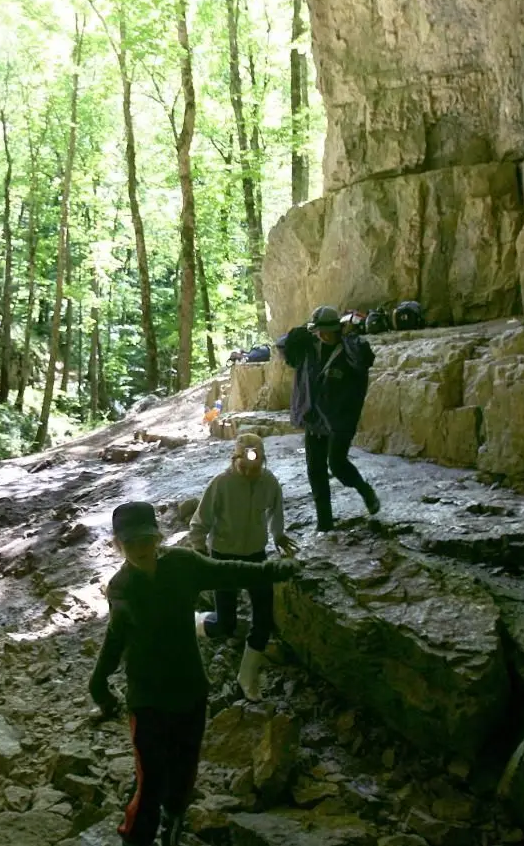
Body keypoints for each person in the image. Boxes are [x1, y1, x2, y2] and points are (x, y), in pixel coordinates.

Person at [91, 501, 297, 846]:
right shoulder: (120, 587)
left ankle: (173, 825)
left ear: (158, 537)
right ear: (118, 544)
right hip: (147, 699)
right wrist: (99, 684)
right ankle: (136, 839)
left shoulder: (183, 565)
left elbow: (228, 571)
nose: (140, 548)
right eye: (130, 542)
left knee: (184, 772)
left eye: (146, 539)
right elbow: (115, 638)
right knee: (150, 781)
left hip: (191, 690)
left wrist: (273, 570)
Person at [187, 434, 299, 701]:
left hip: (255, 557)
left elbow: (275, 511)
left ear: (263, 462)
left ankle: (247, 676)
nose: (249, 473)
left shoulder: (269, 482)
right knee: (224, 624)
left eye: (255, 468)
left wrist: (278, 535)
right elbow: (199, 522)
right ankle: (196, 621)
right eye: (244, 467)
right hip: (223, 557)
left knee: (263, 617)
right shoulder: (221, 484)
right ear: (234, 460)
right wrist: (199, 551)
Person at [277, 305, 381, 529]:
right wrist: (299, 332)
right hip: (314, 416)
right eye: (319, 331)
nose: (323, 336)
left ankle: (365, 491)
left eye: (327, 331)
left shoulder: (348, 350)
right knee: (315, 470)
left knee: (337, 464)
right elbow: (284, 347)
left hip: (340, 418)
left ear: (337, 329)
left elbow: (364, 358)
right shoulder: (308, 349)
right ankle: (324, 523)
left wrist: (350, 338)